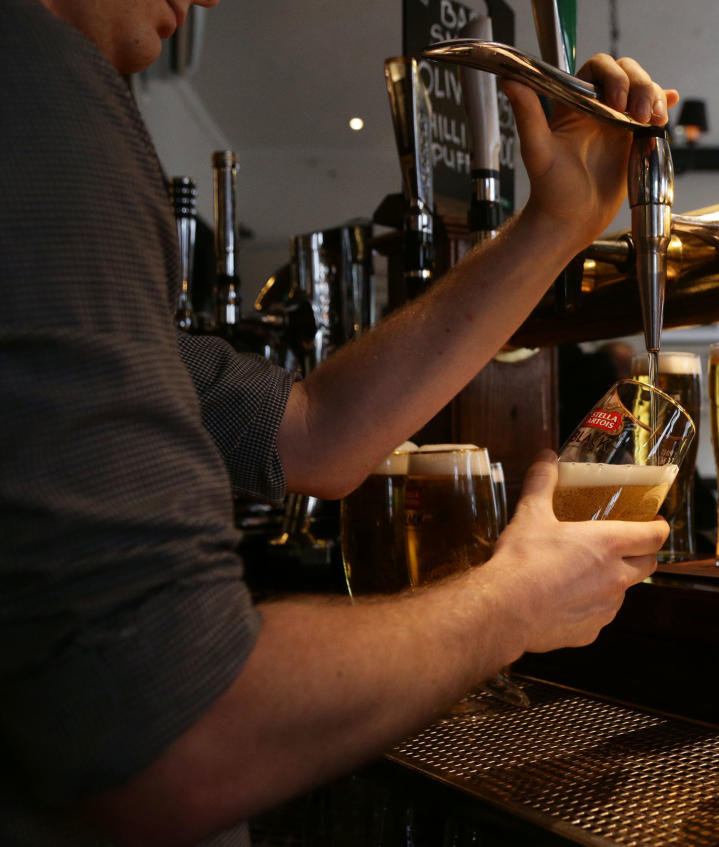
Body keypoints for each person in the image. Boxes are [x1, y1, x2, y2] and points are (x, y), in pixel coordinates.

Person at [0, 1, 679, 844]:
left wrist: (558, 223)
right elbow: (172, 734)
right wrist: (521, 599)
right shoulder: (39, 82)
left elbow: (317, 434)